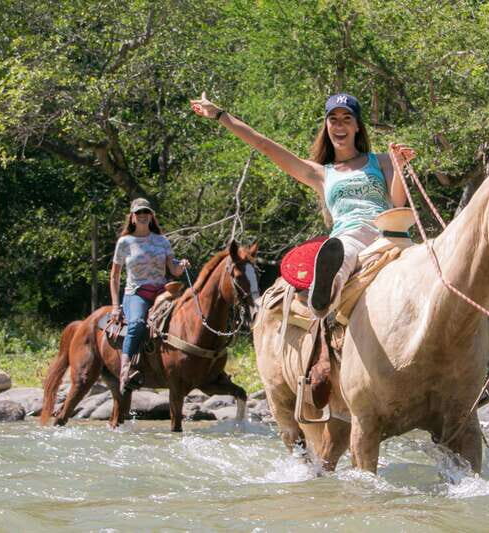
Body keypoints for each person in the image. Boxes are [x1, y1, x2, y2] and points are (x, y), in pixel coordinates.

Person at [190, 91, 410, 317]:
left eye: (347, 119)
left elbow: (397, 203)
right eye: (333, 119)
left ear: (357, 126)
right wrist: (220, 115)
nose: (339, 125)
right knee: (341, 255)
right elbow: (262, 144)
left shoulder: (383, 161)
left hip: (388, 232)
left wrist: (399, 165)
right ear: (326, 126)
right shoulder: (320, 173)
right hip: (350, 236)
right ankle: (324, 294)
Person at [110, 198, 190, 393]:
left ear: (151, 216)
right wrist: (115, 306)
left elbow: (173, 269)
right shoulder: (125, 242)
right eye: (139, 213)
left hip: (163, 292)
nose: (143, 215)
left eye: (146, 212)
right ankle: (125, 369)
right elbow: (114, 276)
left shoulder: (162, 241)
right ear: (132, 217)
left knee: (185, 317)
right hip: (137, 293)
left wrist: (181, 266)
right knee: (137, 323)